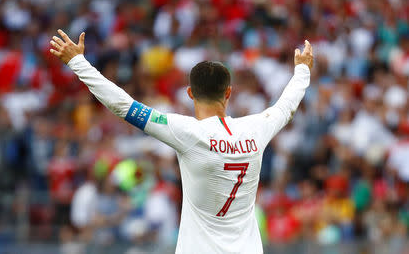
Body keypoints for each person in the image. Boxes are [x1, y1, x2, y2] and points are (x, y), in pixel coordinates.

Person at [49, 29, 313, 254]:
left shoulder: (187, 132)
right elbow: (286, 107)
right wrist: (302, 69)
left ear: (190, 93)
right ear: (229, 92)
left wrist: (78, 63)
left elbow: (124, 106)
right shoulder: (256, 128)